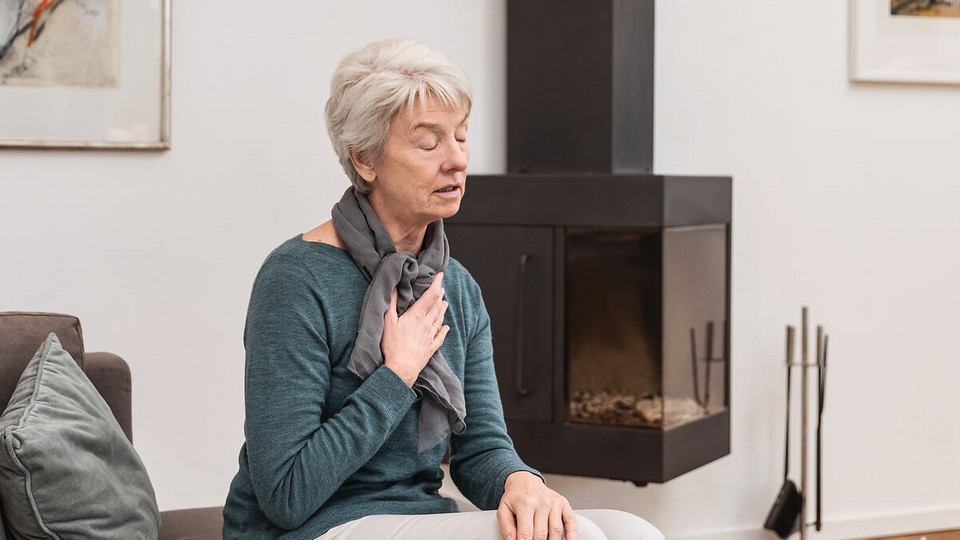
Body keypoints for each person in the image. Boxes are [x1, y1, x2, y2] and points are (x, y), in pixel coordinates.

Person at [222, 39, 665, 540]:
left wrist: (519, 481)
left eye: (460, 136)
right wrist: (397, 373)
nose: (456, 160)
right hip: (309, 529)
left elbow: (480, 449)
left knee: (631, 531)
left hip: (418, 517)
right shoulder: (296, 280)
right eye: (429, 143)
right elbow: (286, 494)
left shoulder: (456, 285)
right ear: (365, 159)